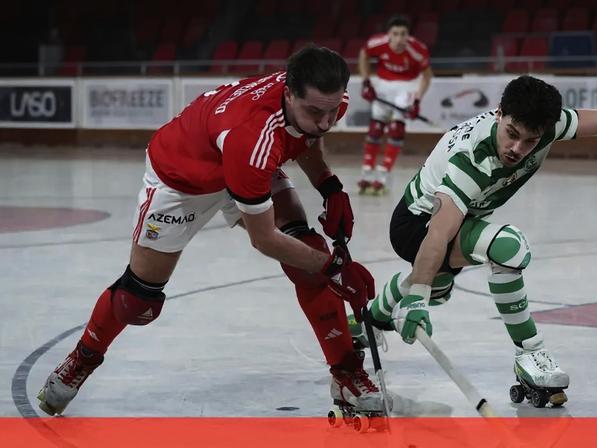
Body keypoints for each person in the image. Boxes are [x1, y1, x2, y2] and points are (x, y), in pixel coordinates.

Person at [352, 76, 597, 406]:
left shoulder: (546, 127)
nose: (517, 150)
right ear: (500, 113)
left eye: (530, 141)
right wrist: (419, 299)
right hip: (417, 226)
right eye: (512, 135)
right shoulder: (474, 158)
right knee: (508, 248)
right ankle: (531, 355)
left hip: (455, 221)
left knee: (441, 282)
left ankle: (375, 314)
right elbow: (439, 232)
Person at [38, 46, 381, 416]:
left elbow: (305, 136)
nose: (327, 121)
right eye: (316, 111)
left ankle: (346, 373)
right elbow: (264, 239)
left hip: (240, 163)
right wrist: (332, 267)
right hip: (182, 180)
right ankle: (83, 358)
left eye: (333, 112)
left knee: (306, 259)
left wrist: (329, 185)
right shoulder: (252, 137)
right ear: (288, 93)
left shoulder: (325, 98)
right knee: (137, 300)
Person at [357, 15, 432, 196]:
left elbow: (427, 76)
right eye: (395, 34)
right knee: (375, 128)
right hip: (383, 84)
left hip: (407, 86)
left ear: (408, 35)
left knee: (396, 129)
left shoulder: (418, 50)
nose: (400, 39)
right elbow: (363, 55)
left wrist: (417, 100)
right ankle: (367, 171)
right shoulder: (377, 43)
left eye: (403, 34)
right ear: (388, 35)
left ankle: (384, 173)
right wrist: (366, 81)